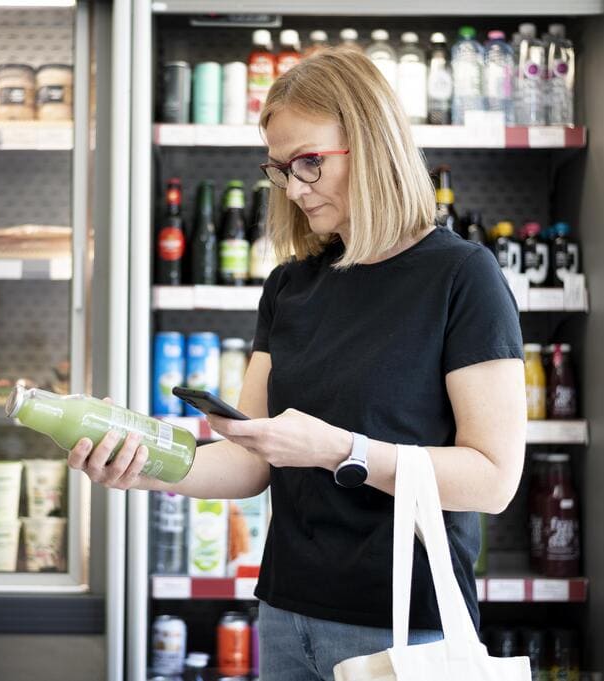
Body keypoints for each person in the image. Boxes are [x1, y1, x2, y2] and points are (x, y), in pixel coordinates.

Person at [70, 48, 526, 681]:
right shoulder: (291, 285)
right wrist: (143, 466)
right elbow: (251, 456)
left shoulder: (461, 276)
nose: (294, 187)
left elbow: (494, 478)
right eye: (281, 169)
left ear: (373, 143)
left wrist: (341, 450)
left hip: (406, 626)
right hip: (285, 614)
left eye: (311, 162)